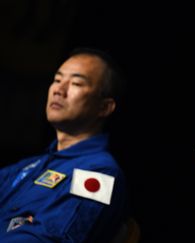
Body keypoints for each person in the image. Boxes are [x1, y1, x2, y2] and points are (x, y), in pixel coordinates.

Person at [0, 47, 129, 242]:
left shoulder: (99, 172)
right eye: (57, 80)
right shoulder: (29, 166)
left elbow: (50, 239)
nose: (59, 90)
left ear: (104, 107)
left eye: (76, 83)